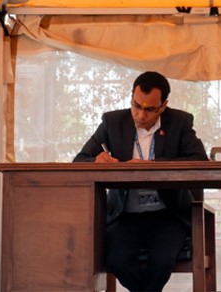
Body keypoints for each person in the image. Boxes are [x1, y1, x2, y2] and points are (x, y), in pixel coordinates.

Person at [74, 71, 209, 291]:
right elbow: (79, 161)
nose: (140, 114)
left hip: (168, 213)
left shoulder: (180, 122)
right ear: (131, 97)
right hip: (125, 214)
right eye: (136, 105)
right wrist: (96, 161)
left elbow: (199, 161)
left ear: (163, 106)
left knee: (162, 261)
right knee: (117, 259)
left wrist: (151, 165)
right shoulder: (112, 122)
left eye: (149, 109)